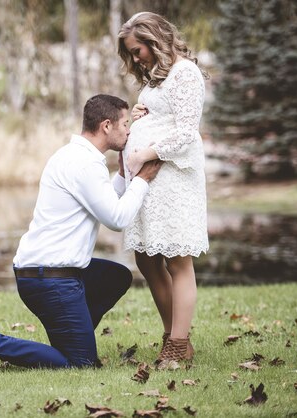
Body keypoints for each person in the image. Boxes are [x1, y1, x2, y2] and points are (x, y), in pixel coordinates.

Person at [0, 94, 162, 370]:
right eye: (125, 124)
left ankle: (71, 337)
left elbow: (101, 205)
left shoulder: (72, 155)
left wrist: (121, 175)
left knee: (116, 277)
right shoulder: (85, 164)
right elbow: (116, 218)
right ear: (106, 126)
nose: (129, 131)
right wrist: (141, 180)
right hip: (50, 279)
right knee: (81, 364)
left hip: (46, 271)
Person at [116, 12, 209, 366]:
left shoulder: (185, 73)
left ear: (154, 40)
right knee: (147, 257)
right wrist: (140, 115)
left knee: (177, 259)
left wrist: (143, 153)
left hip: (172, 176)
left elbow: (186, 132)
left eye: (137, 50)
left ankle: (177, 343)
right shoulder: (157, 77)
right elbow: (163, 116)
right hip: (152, 180)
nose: (136, 58)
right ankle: (174, 336)